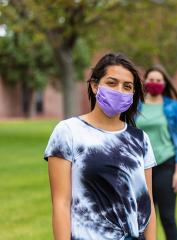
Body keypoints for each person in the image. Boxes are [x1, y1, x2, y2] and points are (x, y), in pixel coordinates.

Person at [44, 53, 157, 240]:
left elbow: (147, 203)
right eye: (112, 83)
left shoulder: (140, 139)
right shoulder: (68, 132)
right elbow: (61, 203)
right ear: (95, 86)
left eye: (127, 87)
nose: (120, 91)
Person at [136, 65, 177, 240]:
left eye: (158, 80)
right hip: (139, 168)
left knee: (167, 218)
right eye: (151, 80)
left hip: (165, 166)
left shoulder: (172, 107)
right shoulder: (136, 106)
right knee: (143, 218)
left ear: (165, 83)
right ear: (145, 82)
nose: (155, 83)